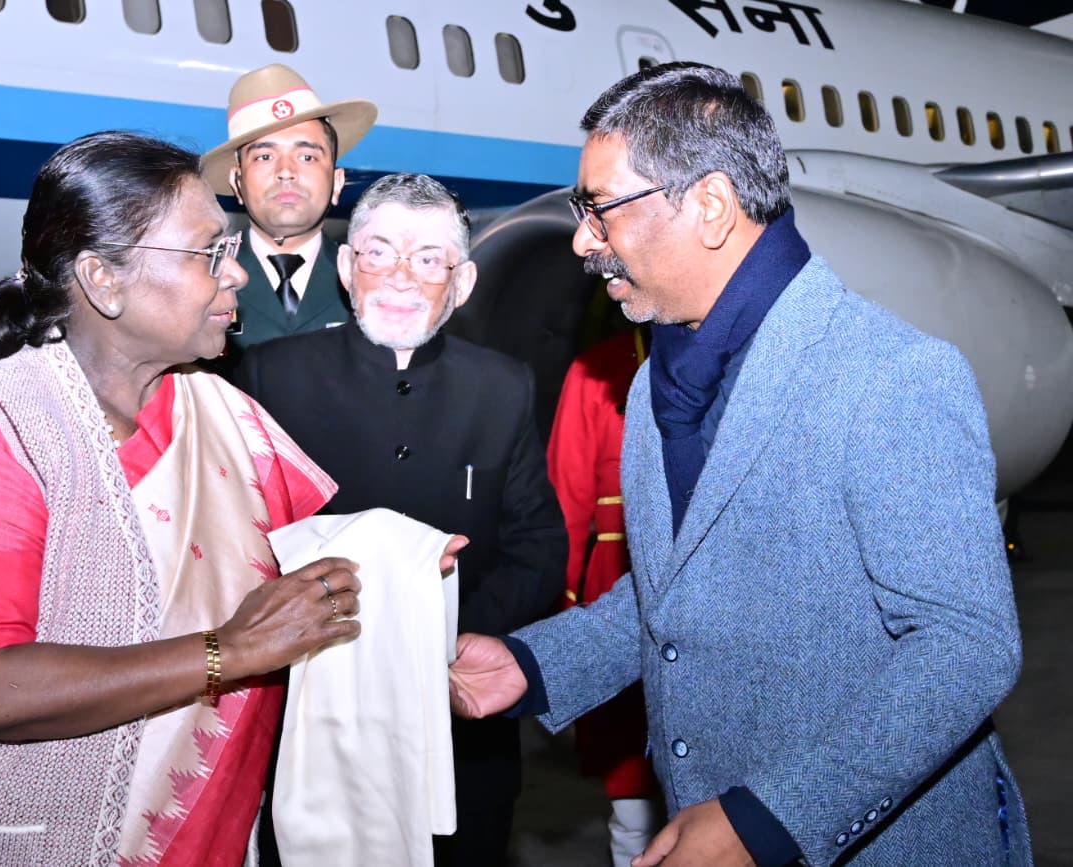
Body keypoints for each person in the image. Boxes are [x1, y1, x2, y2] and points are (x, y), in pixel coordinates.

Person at [448, 63, 1031, 867]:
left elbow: (966, 648)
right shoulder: (658, 378)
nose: (582, 240)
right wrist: (534, 664)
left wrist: (771, 819)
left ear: (712, 207)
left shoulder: (888, 374)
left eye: (600, 209)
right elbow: (676, 592)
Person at [0, 131, 365, 866]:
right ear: (103, 279)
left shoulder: (219, 413)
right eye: (208, 253)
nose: (236, 274)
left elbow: (309, 558)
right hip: (23, 842)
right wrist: (228, 652)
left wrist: (409, 571)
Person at [237, 173, 567, 867]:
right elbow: (237, 540)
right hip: (311, 710)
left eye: (428, 259)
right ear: (346, 267)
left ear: (462, 282)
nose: (400, 277)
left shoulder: (503, 386)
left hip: (455, 713)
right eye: (379, 253)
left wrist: (438, 636)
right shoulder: (268, 377)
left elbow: (537, 544)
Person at [547, 324, 665, 866]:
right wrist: (563, 626)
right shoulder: (595, 370)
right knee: (631, 793)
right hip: (617, 587)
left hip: (718, 589)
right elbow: (566, 505)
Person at [201, 63, 377, 365]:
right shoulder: (201, 282)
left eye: (307, 156)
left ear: (337, 183)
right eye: (264, 156)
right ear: (237, 183)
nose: (285, 171)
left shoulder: (373, 281)